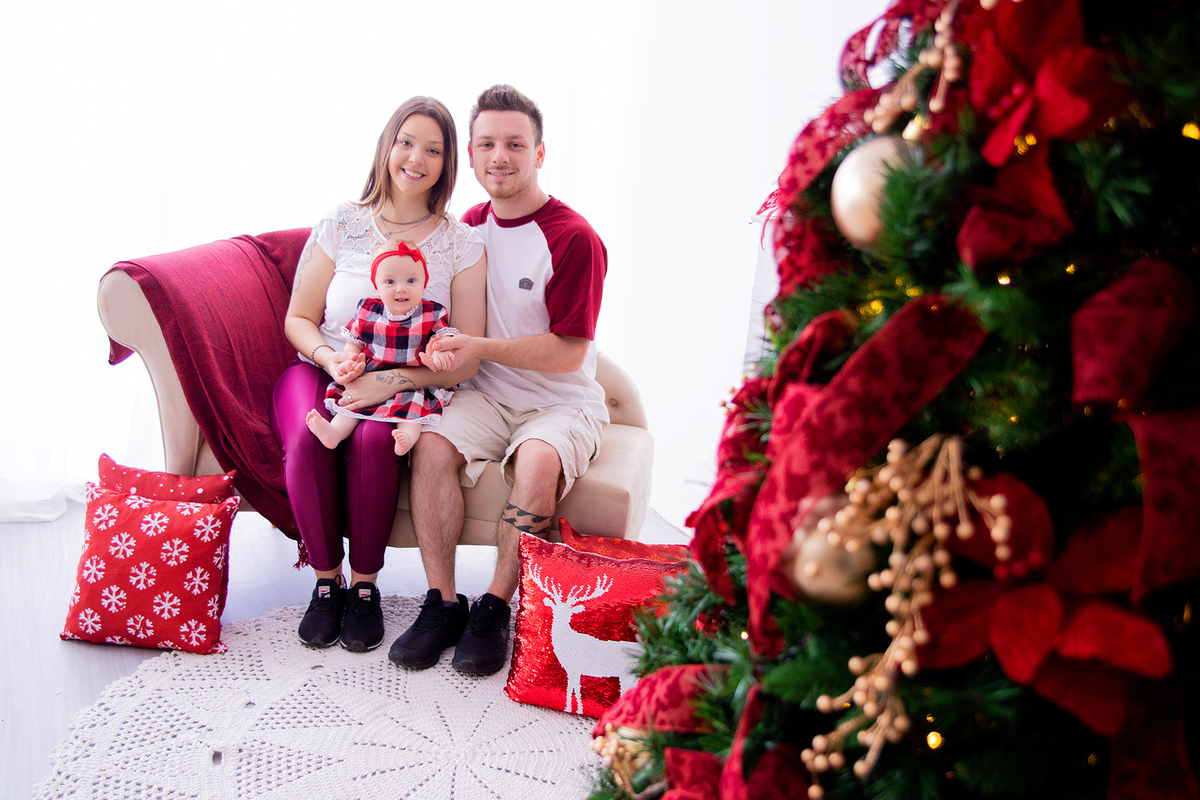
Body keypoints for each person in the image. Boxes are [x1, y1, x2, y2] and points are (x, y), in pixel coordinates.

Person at [376, 84, 609, 675]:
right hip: (487, 396)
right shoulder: (467, 230)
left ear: (540, 152)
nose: (499, 156)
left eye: (514, 143)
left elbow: (567, 353)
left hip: (561, 403)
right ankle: (443, 602)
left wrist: (477, 346)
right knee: (429, 444)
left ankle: (494, 608)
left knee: (535, 463)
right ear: (471, 156)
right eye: (486, 144)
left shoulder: (573, 237)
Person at [271, 97, 486, 653]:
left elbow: (465, 355)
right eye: (406, 142)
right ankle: (326, 584)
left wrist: (387, 384)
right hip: (322, 366)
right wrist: (329, 360)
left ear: (448, 164)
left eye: (434, 150)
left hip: (407, 384)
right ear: (387, 146)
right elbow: (298, 317)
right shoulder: (341, 223)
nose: (416, 158)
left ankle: (364, 587)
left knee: (371, 439)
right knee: (308, 431)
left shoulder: (462, 243)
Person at [306, 240, 458, 457]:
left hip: (410, 380)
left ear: (425, 284)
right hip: (371, 374)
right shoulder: (368, 311)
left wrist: (440, 352)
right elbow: (355, 342)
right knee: (352, 405)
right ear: (376, 285)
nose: (401, 288)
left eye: (411, 280)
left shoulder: (431, 313)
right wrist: (350, 360)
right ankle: (334, 432)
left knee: (412, 409)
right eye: (390, 281)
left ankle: (407, 439)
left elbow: (444, 338)